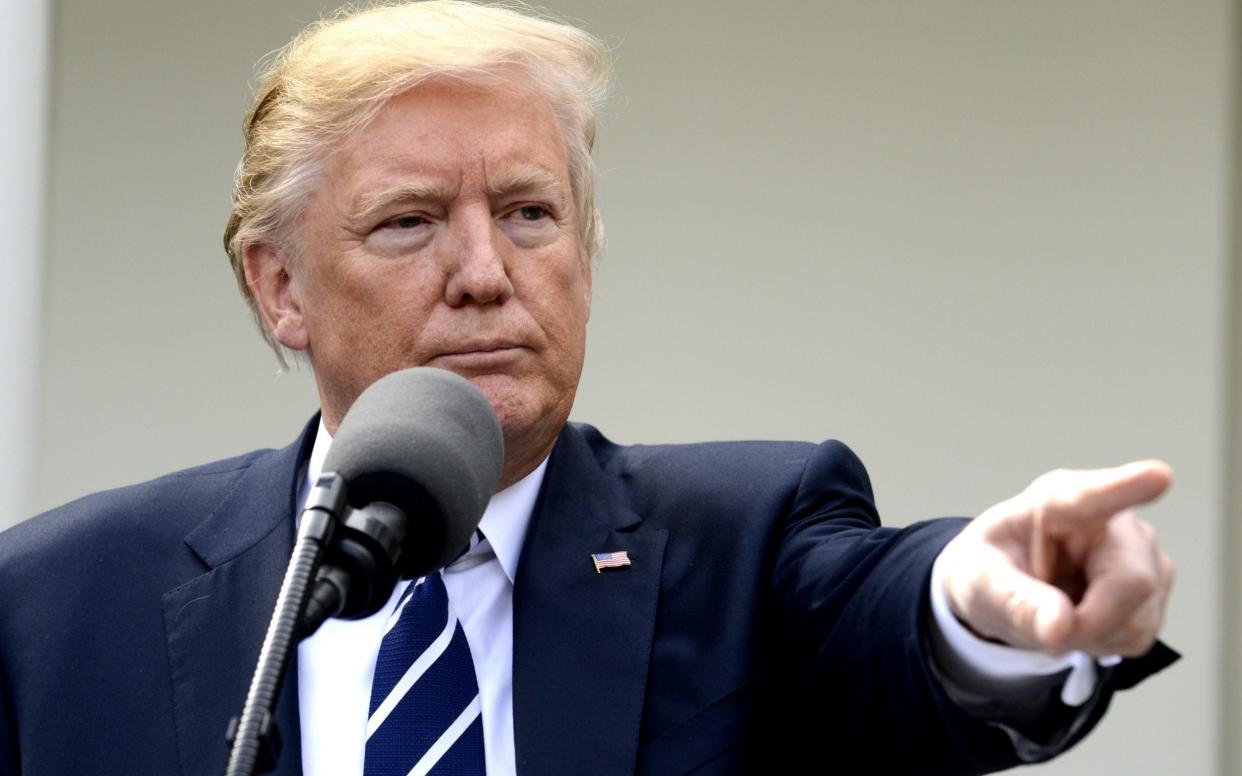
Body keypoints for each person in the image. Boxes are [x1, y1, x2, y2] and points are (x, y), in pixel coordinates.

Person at [0, 2, 1176, 775]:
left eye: (528, 213)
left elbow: (885, 621)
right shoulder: (54, 607)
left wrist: (982, 593)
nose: (485, 273)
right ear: (280, 288)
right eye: (409, 223)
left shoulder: (751, 538)